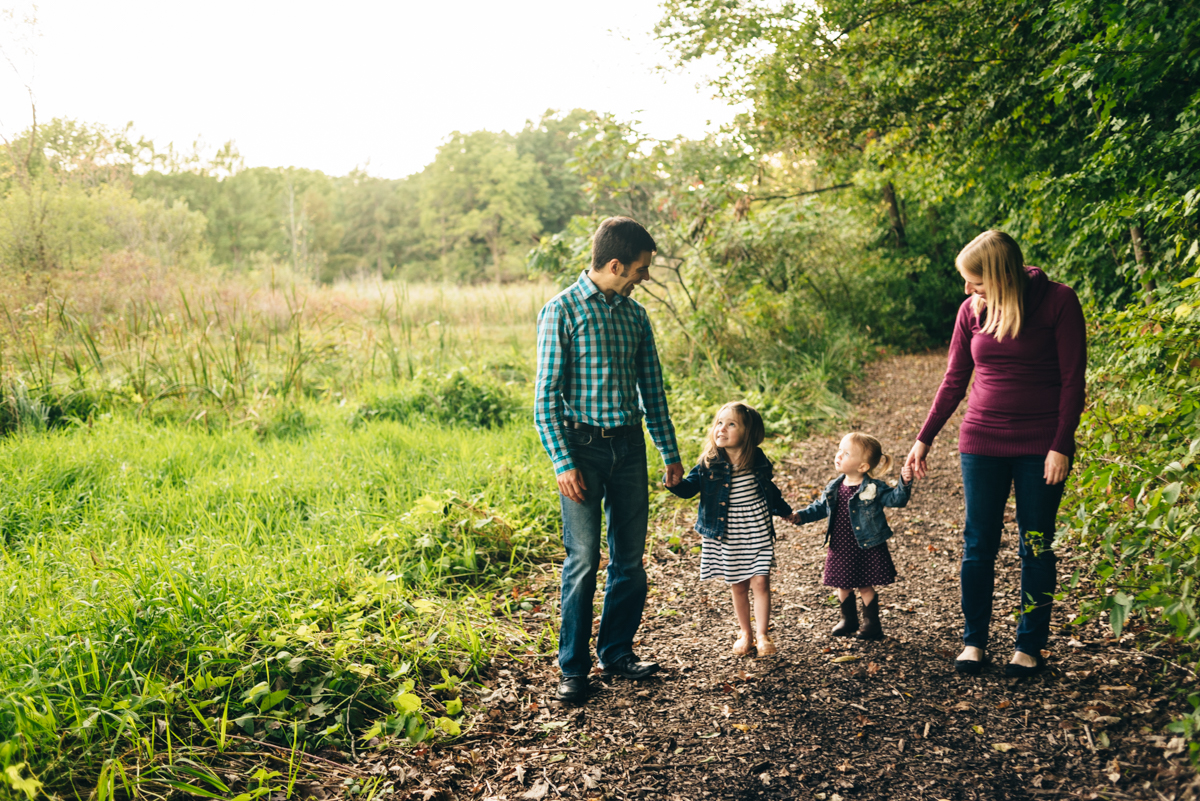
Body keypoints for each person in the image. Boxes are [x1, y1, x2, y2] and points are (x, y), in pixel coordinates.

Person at [903, 230, 1086, 677]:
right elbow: (953, 380)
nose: (967, 290)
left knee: (1036, 545)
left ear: (1001, 276)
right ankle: (974, 641)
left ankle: (1029, 646)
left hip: (1041, 446)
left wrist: (1061, 444)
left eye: (975, 281)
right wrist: (923, 438)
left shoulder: (1059, 302)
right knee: (978, 543)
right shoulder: (972, 311)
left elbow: (1072, 381)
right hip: (981, 441)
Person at [534, 216, 684, 703]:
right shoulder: (561, 312)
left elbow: (653, 391)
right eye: (639, 270)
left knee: (630, 561)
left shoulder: (635, 317)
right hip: (582, 450)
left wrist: (670, 452)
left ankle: (616, 651)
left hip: (629, 446)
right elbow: (545, 400)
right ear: (615, 264)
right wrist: (563, 462)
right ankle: (572, 669)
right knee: (582, 561)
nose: (643, 278)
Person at [667, 402, 794, 657]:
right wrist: (674, 483)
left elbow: (769, 489)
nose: (721, 429)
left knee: (760, 581)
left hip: (756, 527)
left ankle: (762, 633)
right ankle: (745, 632)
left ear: (748, 433)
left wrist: (786, 511)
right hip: (728, 531)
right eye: (719, 423)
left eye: (731, 424)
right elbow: (690, 488)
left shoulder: (757, 459)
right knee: (738, 584)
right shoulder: (709, 462)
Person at [791, 433, 913, 640]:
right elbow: (820, 508)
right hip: (841, 544)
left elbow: (896, 500)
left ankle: (871, 624)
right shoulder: (834, 486)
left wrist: (904, 482)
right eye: (839, 450)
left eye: (846, 453)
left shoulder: (873, 488)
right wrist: (799, 516)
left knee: (865, 584)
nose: (839, 455)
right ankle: (848, 620)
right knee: (843, 584)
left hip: (866, 545)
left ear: (863, 467)